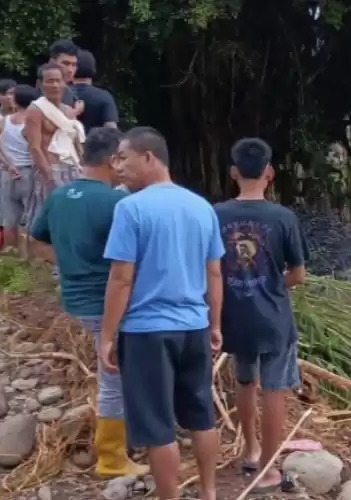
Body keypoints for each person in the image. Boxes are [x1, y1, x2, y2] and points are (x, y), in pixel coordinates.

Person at [99, 127, 223, 500]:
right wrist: (215, 323)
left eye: (124, 158)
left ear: (149, 157)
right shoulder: (202, 207)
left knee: (158, 427)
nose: (118, 166)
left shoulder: (130, 208)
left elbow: (121, 278)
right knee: (202, 416)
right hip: (194, 327)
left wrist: (107, 335)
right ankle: (210, 492)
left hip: (147, 332)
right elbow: (214, 273)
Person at [29, 127, 149, 478]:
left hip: (75, 299)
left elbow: (36, 243)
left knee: (116, 371)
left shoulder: (58, 196)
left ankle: (127, 439)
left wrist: (68, 264)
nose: (124, 167)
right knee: (113, 377)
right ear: (112, 160)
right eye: (122, 159)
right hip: (107, 302)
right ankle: (111, 457)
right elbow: (133, 262)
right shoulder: (116, 203)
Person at [213, 138, 308, 494]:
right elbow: (298, 275)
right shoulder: (283, 217)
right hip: (273, 319)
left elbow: (210, 269)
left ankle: (250, 449)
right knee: (274, 390)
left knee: (244, 381)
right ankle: (268, 470)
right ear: (269, 172)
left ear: (233, 172)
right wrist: (272, 283)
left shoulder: (215, 214)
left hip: (234, 317)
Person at [0, 84, 39, 256]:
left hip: (8, 173)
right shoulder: (33, 123)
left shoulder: (3, 121)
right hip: (29, 172)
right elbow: (36, 148)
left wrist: (9, 164)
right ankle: (29, 254)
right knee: (31, 215)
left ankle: (11, 252)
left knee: (9, 216)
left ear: (16, 101)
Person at [25, 63, 85, 201]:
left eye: (58, 80)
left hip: (72, 168)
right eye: (50, 81)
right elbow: (34, 147)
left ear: (64, 82)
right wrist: (49, 177)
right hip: (50, 170)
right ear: (40, 84)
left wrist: (84, 167)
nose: (55, 85)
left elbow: (76, 143)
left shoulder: (67, 110)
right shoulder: (35, 110)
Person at [71, 50, 118, 132]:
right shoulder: (104, 96)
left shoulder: (60, 94)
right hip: (93, 140)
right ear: (94, 70)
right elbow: (111, 129)